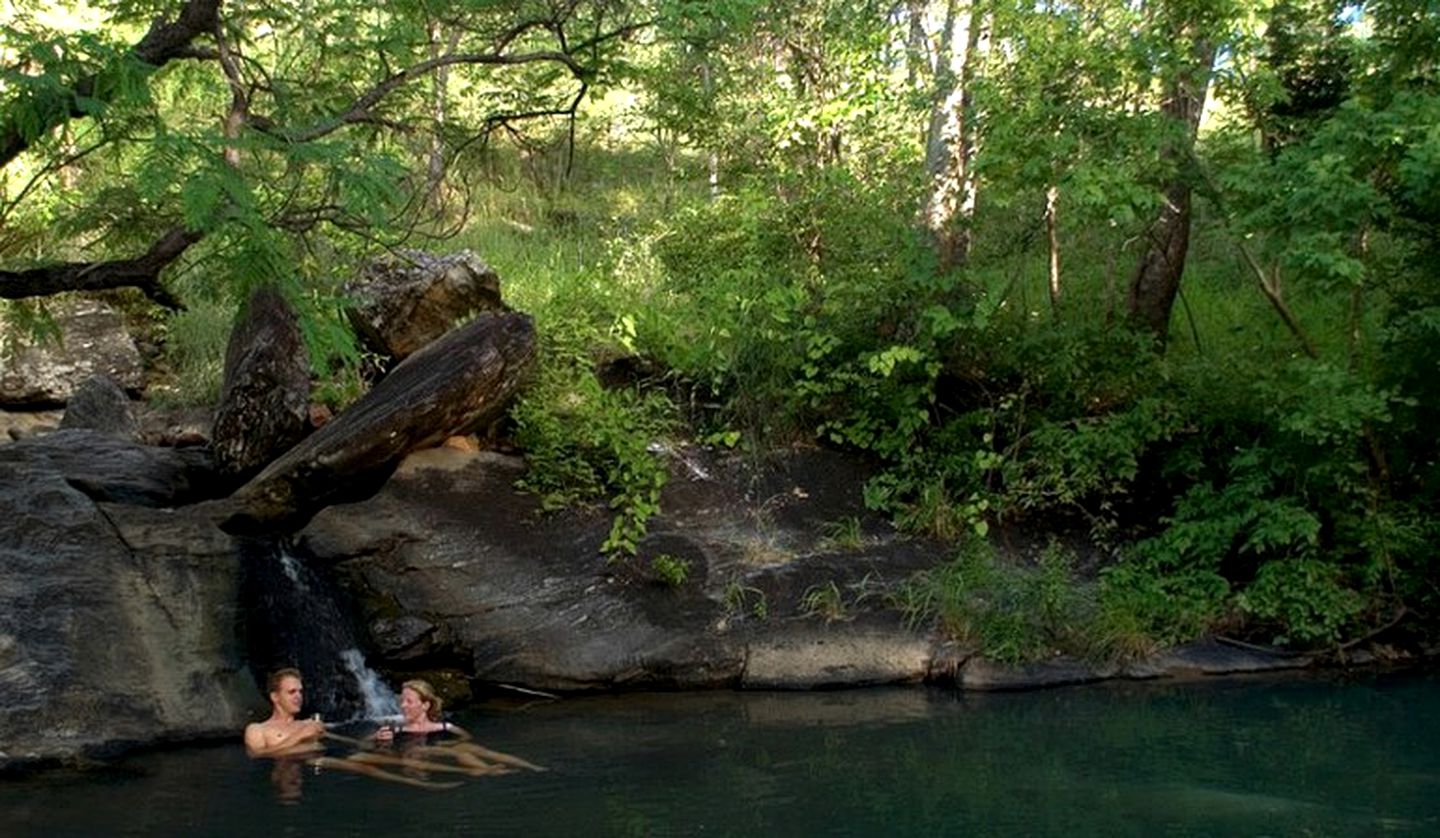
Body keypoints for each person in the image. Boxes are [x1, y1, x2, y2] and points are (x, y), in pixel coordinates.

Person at [243, 668, 327, 757]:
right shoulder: (257, 729)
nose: (298, 696)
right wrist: (299, 736)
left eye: (300, 692)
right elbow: (256, 755)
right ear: (275, 697)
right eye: (292, 692)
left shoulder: (307, 725)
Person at [373, 679, 466, 742]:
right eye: (402, 701)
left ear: (425, 705)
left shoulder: (446, 728)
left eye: (409, 701)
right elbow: (364, 743)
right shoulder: (395, 731)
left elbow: (466, 738)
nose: (402, 705)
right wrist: (377, 737)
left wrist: (449, 745)